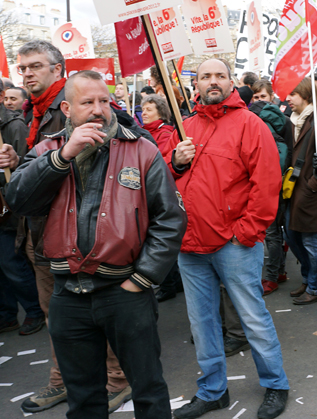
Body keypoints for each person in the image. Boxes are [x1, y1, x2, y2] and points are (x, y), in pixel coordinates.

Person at [6, 70, 186, 419]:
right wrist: (62, 158)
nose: (98, 109)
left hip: (125, 292)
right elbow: (19, 201)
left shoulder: (142, 150)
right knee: (84, 397)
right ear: (67, 108)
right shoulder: (48, 149)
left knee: (148, 390)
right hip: (67, 296)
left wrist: (143, 278)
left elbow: (170, 219)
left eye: (104, 101)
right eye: (87, 102)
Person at [7, 40, 134, 414]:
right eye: (22, 67)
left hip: (84, 238)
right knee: (57, 316)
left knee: (99, 311)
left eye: (35, 66)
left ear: (57, 70)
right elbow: (35, 174)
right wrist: (19, 160)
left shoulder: (81, 108)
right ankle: (61, 381)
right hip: (40, 233)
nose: (26, 73)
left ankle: (116, 381)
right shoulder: (31, 112)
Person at [167, 58, 290, 419]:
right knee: (202, 322)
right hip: (190, 246)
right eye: (206, 76)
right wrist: (175, 162)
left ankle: (275, 385)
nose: (213, 81)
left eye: (220, 75)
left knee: (253, 317)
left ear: (231, 81)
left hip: (233, 244)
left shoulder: (250, 124)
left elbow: (267, 183)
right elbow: (165, 183)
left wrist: (244, 233)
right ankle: (212, 390)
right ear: (197, 84)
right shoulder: (184, 126)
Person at [0, 80, 44, 337]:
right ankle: (7, 315)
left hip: (9, 206)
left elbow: (23, 167)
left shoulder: (13, 125)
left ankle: (34, 310)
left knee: (12, 262)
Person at [284, 78, 317, 305]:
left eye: (292, 94)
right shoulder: (296, 120)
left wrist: (312, 186)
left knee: (312, 242)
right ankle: (308, 279)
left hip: (311, 193)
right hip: (295, 190)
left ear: (305, 95)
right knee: (294, 238)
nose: (288, 99)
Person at [250, 80, 292, 296]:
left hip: (271, 186)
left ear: (272, 97)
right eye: (255, 98)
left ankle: (272, 277)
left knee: (272, 234)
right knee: (275, 233)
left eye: (262, 97)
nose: (259, 101)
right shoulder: (284, 120)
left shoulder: (280, 122)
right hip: (279, 184)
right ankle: (279, 272)